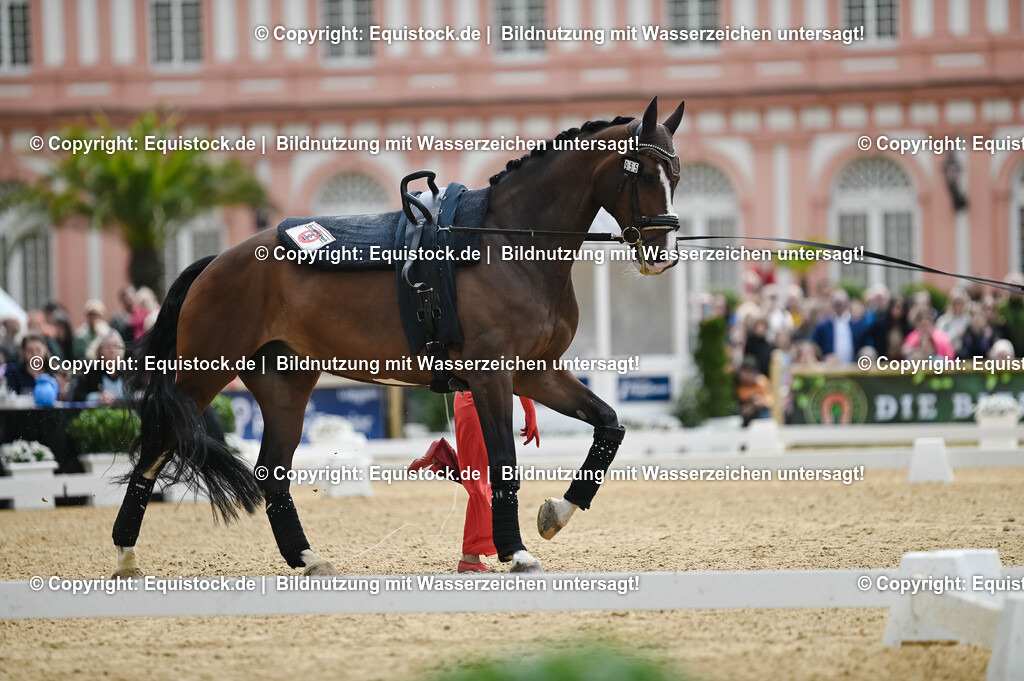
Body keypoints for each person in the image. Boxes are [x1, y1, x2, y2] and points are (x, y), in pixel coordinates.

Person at [409, 391, 539, 573]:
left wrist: (529, 411)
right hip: (480, 400)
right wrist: (530, 411)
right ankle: (470, 556)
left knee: (479, 478)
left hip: (481, 400)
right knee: (481, 482)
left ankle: (442, 454)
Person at [71, 330, 126, 404]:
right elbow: (77, 396)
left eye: (116, 346)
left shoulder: (126, 371)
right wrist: (97, 397)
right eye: (107, 346)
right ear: (99, 350)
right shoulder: (88, 370)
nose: (112, 350)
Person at [736, 355, 773, 426]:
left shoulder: (762, 382)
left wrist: (760, 401)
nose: (747, 376)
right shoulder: (738, 383)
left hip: (760, 413)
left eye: (750, 373)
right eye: (745, 372)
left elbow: (770, 400)